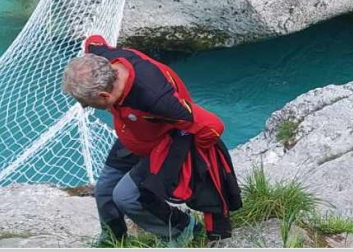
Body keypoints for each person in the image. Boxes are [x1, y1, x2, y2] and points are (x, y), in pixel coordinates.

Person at [63, 35, 242, 246]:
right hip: (134, 135)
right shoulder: (101, 55)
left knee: (126, 196)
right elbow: (93, 40)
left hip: (166, 141)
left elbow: (212, 126)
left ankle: (181, 229)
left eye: (87, 103)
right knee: (105, 191)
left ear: (103, 96)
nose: (85, 107)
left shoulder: (155, 98)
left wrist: (190, 155)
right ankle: (113, 240)